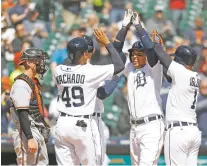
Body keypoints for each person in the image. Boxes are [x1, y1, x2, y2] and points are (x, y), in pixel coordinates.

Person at [134, 11, 202, 165]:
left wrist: (156, 42)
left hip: (178, 132)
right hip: (193, 132)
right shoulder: (194, 76)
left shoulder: (180, 72)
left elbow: (162, 56)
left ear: (180, 60)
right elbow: (167, 71)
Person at [54, 29, 124, 165]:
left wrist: (76, 47)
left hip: (62, 124)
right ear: (86, 54)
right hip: (82, 125)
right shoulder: (90, 72)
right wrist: (107, 43)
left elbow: (70, 59)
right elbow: (119, 65)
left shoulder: (58, 70)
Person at [114, 9, 165, 165]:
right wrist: (124, 28)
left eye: (139, 54)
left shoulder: (154, 68)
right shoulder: (130, 69)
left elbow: (150, 48)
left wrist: (138, 25)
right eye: (133, 54)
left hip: (151, 126)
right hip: (134, 128)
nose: (135, 57)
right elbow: (115, 53)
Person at [9, 47, 50, 165]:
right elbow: (22, 114)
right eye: (39, 59)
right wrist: (30, 137)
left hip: (35, 131)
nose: (41, 63)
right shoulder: (21, 84)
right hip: (26, 132)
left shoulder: (34, 82)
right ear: (29, 62)